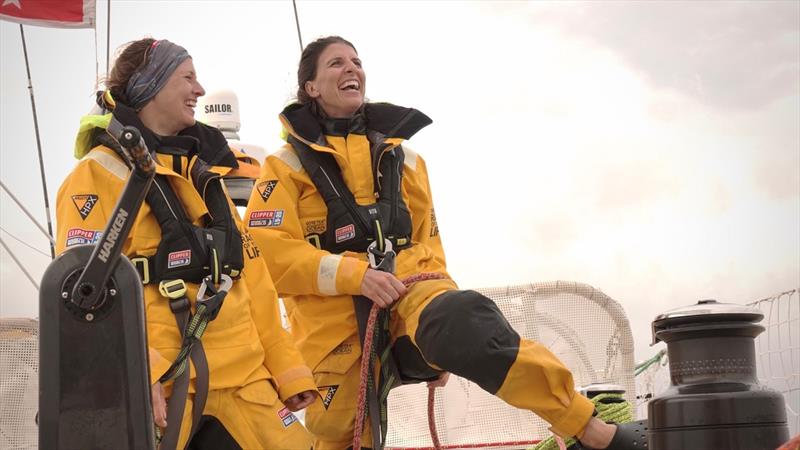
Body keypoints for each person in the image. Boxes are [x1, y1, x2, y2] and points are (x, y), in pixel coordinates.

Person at [245, 36, 646, 450]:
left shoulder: (408, 161)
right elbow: (264, 254)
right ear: (310, 87)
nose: (352, 69)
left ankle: (585, 428)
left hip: (409, 301)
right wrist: (356, 276)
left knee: (461, 320)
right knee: (334, 435)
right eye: (336, 64)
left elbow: (429, 249)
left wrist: (444, 345)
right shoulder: (284, 168)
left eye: (357, 61)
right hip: (335, 339)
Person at [56, 37, 317, 450]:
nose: (199, 89)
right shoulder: (95, 177)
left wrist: (289, 372)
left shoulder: (208, 176)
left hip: (248, 381)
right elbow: (82, 298)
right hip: (165, 384)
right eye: (187, 77)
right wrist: (139, 374)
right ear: (149, 85)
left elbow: (255, 283)